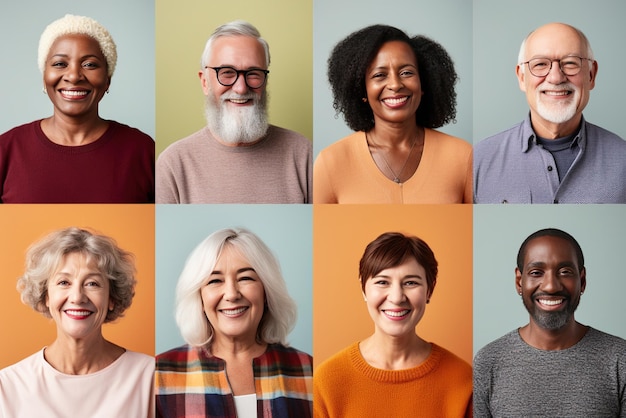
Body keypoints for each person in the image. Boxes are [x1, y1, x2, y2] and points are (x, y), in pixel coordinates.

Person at [155, 228, 312, 417]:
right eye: (215, 281)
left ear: (266, 292)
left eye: (245, 278)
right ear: (199, 297)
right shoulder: (158, 374)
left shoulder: (308, 370)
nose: (231, 294)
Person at [0, 227, 154, 417]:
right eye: (64, 282)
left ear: (111, 297)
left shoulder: (149, 376)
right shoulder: (7, 386)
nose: (77, 297)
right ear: (46, 296)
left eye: (92, 283)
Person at [314, 232, 472, 417]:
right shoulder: (327, 380)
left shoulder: (463, 379)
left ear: (430, 289)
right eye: (382, 282)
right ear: (363, 289)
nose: (397, 297)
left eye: (411, 282)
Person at [0, 14, 154, 203]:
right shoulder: (6, 149)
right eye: (59, 64)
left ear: (107, 80)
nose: (73, 76)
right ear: (44, 76)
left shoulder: (143, 151)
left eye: (89, 64)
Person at [473, 228, 626, 416]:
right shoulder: (488, 361)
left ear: (582, 280)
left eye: (565, 272)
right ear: (519, 282)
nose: (551, 286)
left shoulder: (619, 359)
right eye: (537, 272)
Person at [156, 21, 312, 204]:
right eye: (227, 73)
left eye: (253, 73)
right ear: (205, 82)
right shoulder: (174, 163)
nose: (240, 88)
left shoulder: (303, 153)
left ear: (265, 80)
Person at [313, 25, 472, 204]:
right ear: (362, 90)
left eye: (406, 72)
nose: (395, 85)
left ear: (424, 82)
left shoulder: (462, 156)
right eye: (380, 75)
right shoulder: (331, 162)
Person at [474, 23, 626, 203]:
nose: (555, 77)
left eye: (570, 63)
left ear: (591, 75)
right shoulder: (479, 159)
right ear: (522, 78)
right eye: (540, 64)